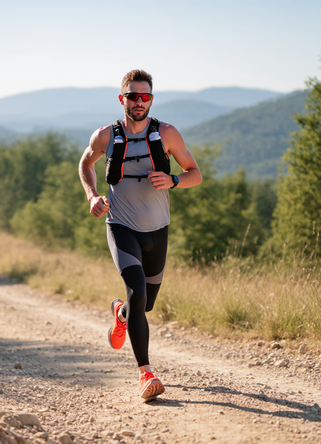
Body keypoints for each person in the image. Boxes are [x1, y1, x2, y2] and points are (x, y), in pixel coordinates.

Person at [78, 69, 202, 401]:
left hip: (157, 230)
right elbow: (85, 164)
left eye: (145, 96)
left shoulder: (167, 133)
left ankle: (121, 315)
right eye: (133, 96)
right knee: (137, 291)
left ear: (151, 100)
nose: (139, 102)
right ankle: (146, 373)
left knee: (143, 305)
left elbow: (196, 174)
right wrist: (92, 196)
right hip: (120, 225)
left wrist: (173, 180)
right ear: (122, 99)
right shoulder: (106, 136)